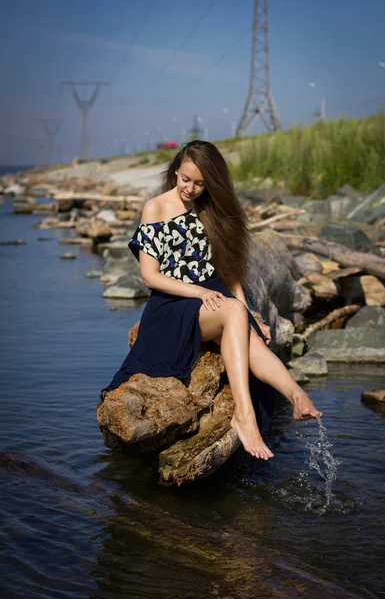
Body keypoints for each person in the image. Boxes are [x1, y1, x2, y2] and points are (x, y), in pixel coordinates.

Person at [102, 140, 322, 460]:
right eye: (185, 179)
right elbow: (150, 276)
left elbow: (230, 274)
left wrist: (251, 313)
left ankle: (297, 396)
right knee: (233, 312)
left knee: (252, 340)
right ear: (176, 170)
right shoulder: (156, 207)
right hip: (173, 302)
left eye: (200, 183)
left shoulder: (211, 211)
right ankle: (245, 417)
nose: (190, 188)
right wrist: (202, 292)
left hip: (214, 295)